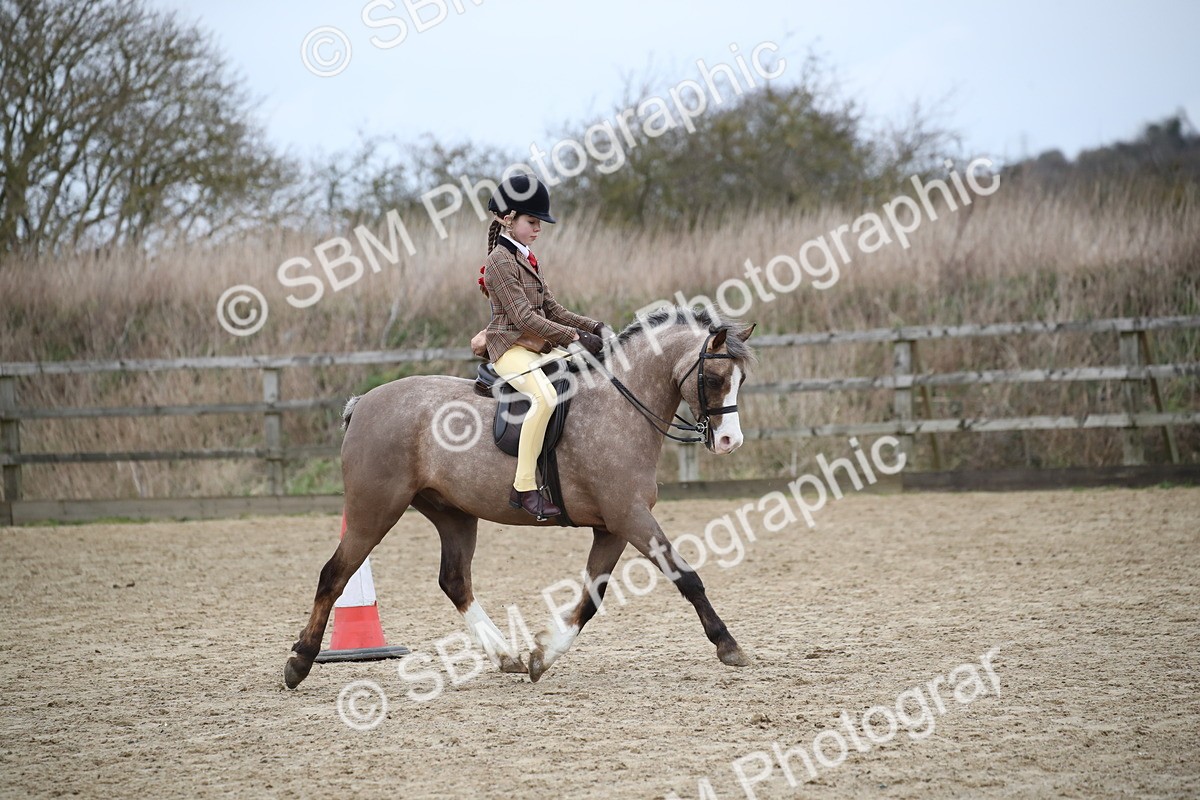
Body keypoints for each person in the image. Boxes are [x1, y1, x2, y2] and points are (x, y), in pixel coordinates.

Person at [475, 174, 605, 519]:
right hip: (509, 347)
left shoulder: (527, 256)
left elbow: (552, 309)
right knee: (544, 397)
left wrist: (594, 327)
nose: (538, 229)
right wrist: (574, 337)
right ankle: (524, 487)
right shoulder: (500, 262)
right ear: (508, 219)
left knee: (592, 370)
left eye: (539, 223)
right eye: (532, 222)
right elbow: (523, 318)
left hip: (535, 346)